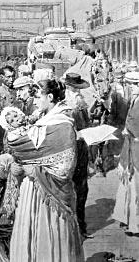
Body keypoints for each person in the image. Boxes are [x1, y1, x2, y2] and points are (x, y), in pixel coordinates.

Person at [8, 79, 84, 261]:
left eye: (37, 96)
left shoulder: (62, 124)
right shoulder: (45, 119)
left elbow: (64, 168)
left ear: (50, 97)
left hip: (50, 192)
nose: (35, 100)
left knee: (49, 234)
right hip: (35, 189)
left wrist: (33, 169)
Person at [63, 72, 91, 237]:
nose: (78, 92)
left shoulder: (79, 103)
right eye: (75, 89)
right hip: (71, 148)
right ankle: (73, 228)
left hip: (80, 148)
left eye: (78, 89)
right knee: (72, 188)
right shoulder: (68, 104)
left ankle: (80, 226)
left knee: (80, 188)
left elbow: (85, 125)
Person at [112, 71, 139, 234]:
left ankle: (135, 224)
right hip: (131, 147)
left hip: (136, 149)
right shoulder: (134, 101)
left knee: (135, 185)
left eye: (131, 84)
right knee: (129, 184)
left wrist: (129, 132)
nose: (129, 87)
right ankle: (129, 220)